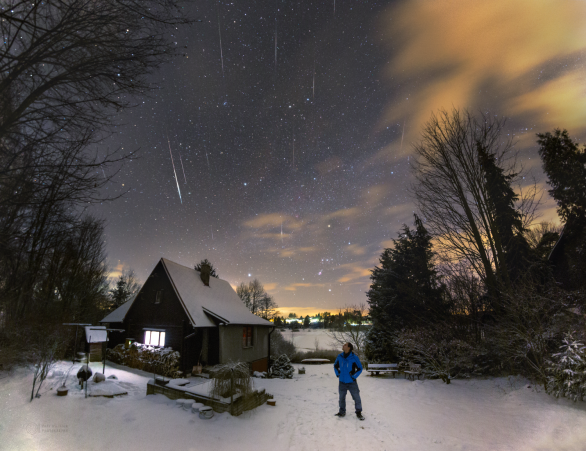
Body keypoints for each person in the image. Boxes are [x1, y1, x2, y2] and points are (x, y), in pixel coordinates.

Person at [333, 342, 364, 420]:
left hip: (352, 382)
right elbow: (335, 366)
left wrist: (353, 377)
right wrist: (338, 374)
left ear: (349, 347)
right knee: (341, 398)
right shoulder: (339, 356)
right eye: (343, 345)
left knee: (356, 398)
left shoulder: (354, 357)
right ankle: (342, 412)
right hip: (342, 382)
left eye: (345, 345)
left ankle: (359, 412)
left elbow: (360, 368)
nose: (343, 345)